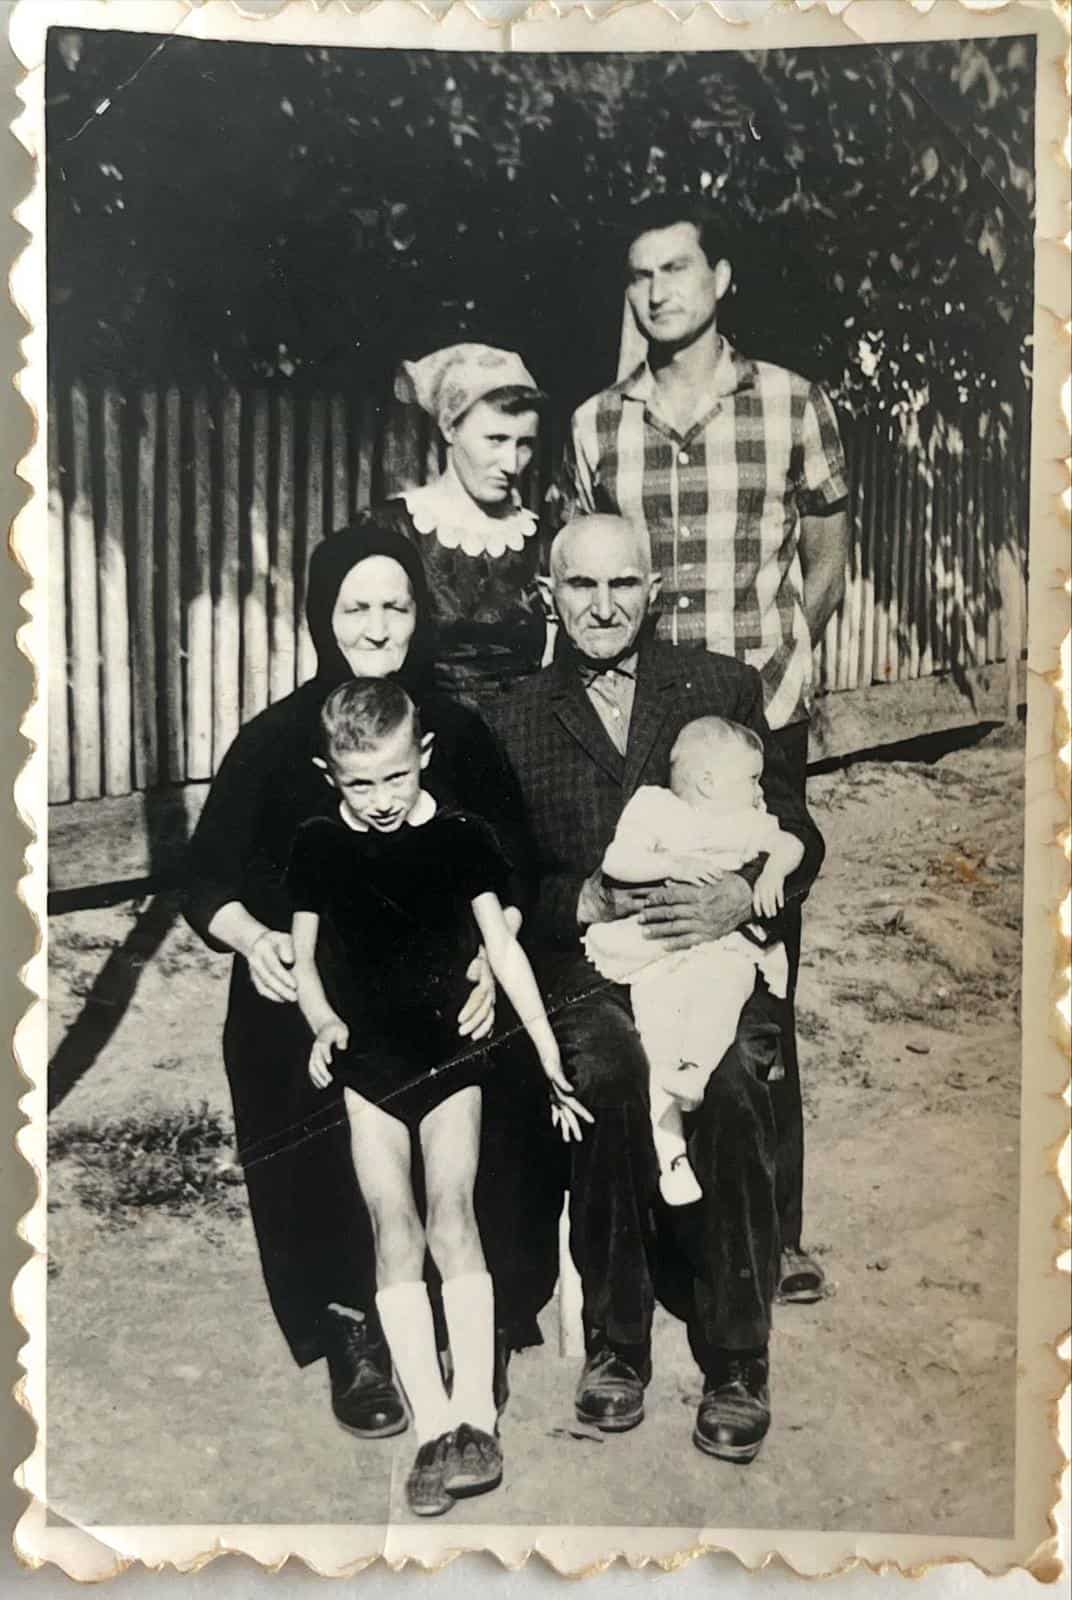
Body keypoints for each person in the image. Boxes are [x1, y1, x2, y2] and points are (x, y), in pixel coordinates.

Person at [183, 521, 559, 1441]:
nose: (379, 624)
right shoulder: (277, 740)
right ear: (324, 614)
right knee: (280, 1051)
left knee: (492, 1040)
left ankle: (485, 1317)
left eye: (397, 604)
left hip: (441, 979)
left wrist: (487, 954)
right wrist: (255, 941)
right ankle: (352, 1321)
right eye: (358, 605)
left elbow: (517, 868)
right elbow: (204, 879)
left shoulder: (454, 730)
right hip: (312, 980)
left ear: (419, 615)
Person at [487, 514, 825, 1464]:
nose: (603, 606)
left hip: (719, 951)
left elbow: (800, 831)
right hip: (597, 964)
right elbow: (502, 884)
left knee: (732, 1083)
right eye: (581, 587)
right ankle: (617, 1344)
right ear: (547, 597)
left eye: (623, 585)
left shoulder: (718, 686)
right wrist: (583, 894)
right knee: (605, 1070)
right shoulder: (512, 718)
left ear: (654, 590)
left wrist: (737, 899)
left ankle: (735, 1356)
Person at [562, 196, 850, 1301]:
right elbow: (593, 564)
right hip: (635, 730)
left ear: (719, 276)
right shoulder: (597, 424)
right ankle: (648, 1207)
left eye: (676, 268)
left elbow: (823, 557)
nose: (656, 291)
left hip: (752, 733)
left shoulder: (789, 403)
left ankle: (768, 1228)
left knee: (756, 961)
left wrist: (783, 668)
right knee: (645, 947)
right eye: (639, 273)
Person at [288, 677, 588, 1516]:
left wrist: (549, 1052)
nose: (381, 801)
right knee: (395, 1229)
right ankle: (429, 1431)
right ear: (330, 774)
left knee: (453, 1215)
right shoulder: (316, 848)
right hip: (369, 1070)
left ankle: (475, 1420)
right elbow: (306, 961)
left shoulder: (461, 838)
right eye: (359, 782)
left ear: (422, 756)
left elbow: (508, 949)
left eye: (395, 776)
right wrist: (319, 1023)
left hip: (452, 1055)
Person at [584, 716, 803, 1206]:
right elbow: (619, 862)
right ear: (709, 781)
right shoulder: (656, 808)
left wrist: (769, 875)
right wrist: (673, 865)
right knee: (654, 1028)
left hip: (721, 947)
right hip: (659, 949)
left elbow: (793, 844)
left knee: (726, 992)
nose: (759, 789)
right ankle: (673, 1156)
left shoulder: (748, 823)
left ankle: (694, 1070)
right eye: (751, 779)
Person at [364, 342, 548, 705]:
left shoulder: (541, 541)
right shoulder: (392, 529)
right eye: (495, 440)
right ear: (450, 428)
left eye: (524, 444)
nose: (511, 463)